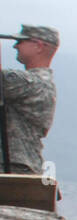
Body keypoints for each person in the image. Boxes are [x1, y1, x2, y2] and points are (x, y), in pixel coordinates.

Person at [2, 24, 57, 175]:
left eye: (21, 41)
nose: (15, 46)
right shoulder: (40, 83)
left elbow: (5, 79)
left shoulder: (33, 83)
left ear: (39, 46)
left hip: (14, 168)